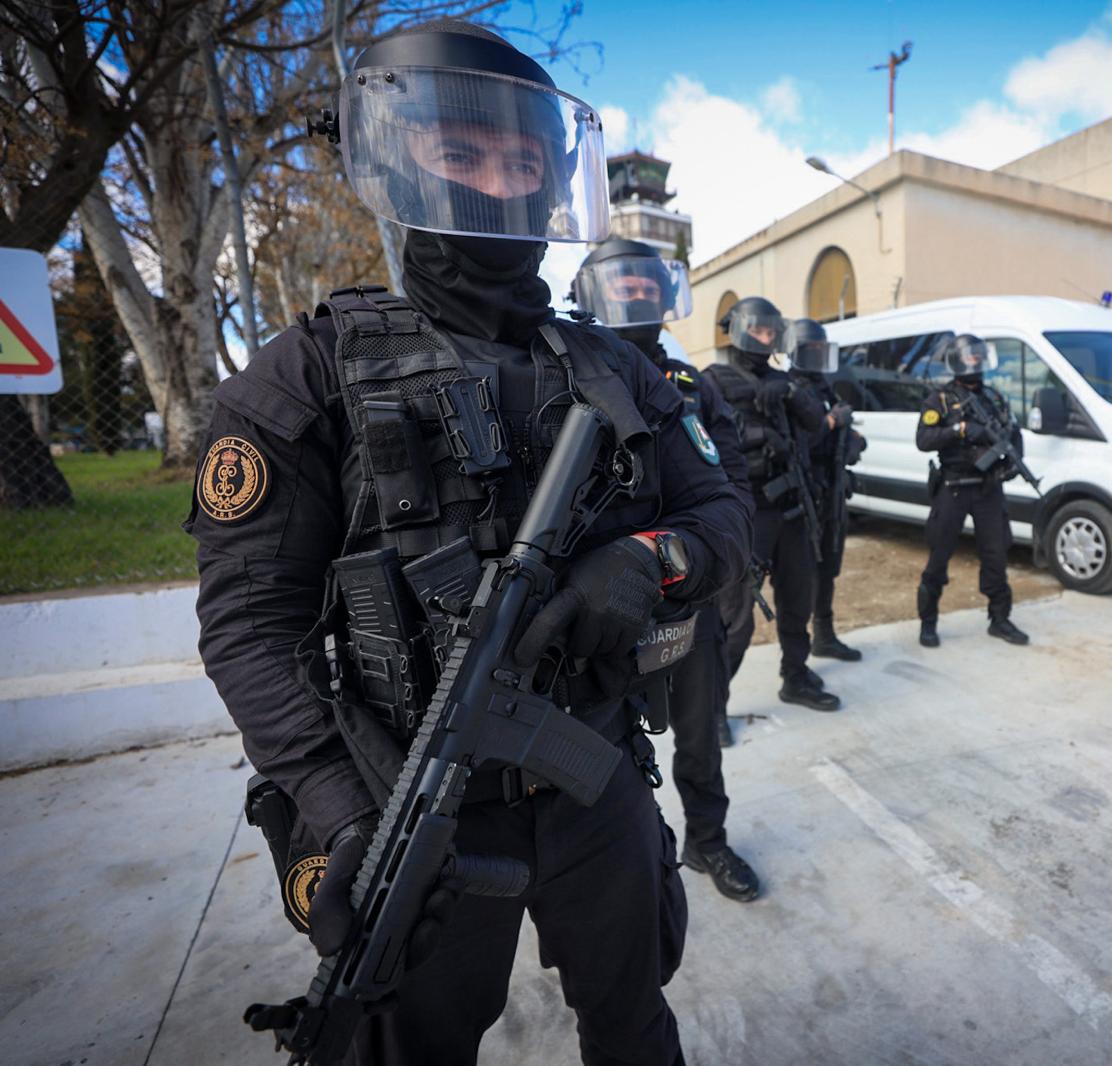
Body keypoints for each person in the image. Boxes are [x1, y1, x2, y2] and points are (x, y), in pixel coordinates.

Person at [188, 22, 750, 1064]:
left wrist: (647, 562)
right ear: (400, 163)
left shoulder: (617, 369)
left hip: (594, 774)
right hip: (414, 797)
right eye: (462, 155)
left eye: (523, 162)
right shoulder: (307, 375)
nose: (498, 183)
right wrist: (344, 812)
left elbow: (724, 520)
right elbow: (250, 629)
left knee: (634, 1021)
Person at [572, 237, 760, 902]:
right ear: (589, 295)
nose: (635, 296)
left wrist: (696, 559)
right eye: (619, 285)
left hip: (686, 598)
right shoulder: (557, 373)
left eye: (645, 285)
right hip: (590, 619)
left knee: (701, 735)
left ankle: (708, 843)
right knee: (604, 757)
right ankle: (623, 867)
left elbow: (730, 487)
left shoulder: (691, 386)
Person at [704, 297, 843, 710]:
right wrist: (757, 436)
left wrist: (791, 393)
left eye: (770, 331)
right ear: (740, 330)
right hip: (750, 514)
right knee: (737, 618)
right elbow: (703, 442)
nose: (764, 338)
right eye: (758, 330)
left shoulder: (787, 381)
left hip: (794, 510)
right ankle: (713, 706)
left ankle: (796, 677)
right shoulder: (714, 381)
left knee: (797, 602)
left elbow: (817, 426)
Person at [915, 334, 1030, 648]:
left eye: (978, 356)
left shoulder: (993, 397)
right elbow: (924, 439)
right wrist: (960, 430)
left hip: (987, 488)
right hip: (953, 486)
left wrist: (1011, 460)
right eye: (969, 356)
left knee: (996, 554)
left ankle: (1000, 619)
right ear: (957, 360)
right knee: (939, 555)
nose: (975, 361)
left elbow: (1013, 432)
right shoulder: (939, 400)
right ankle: (928, 622)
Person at [791, 318, 867, 661]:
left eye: (822, 350)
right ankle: (797, 653)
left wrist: (851, 439)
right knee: (803, 574)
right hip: (806, 495)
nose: (818, 357)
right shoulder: (791, 390)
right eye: (812, 351)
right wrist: (832, 423)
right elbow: (800, 441)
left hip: (832, 492)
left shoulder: (826, 389)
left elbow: (843, 437)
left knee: (829, 567)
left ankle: (824, 635)